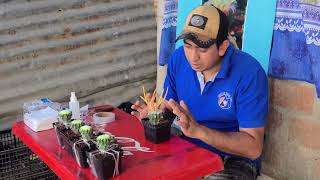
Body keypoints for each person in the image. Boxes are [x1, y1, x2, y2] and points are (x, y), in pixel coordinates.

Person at [131, 4, 268, 180]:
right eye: (188, 46)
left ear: (223, 47)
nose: (193, 57)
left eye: (202, 49)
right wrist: (155, 113)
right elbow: (169, 110)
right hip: (186, 146)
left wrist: (199, 131)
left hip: (232, 159)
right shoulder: (179, 58)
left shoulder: (249, 73)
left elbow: (253, 147)